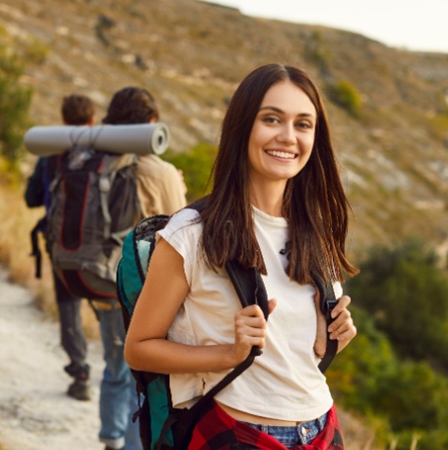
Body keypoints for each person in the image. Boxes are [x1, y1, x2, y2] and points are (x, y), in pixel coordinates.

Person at [124, 64, 358, 448]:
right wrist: (227, 353)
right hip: (238, 435)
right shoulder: (192, 234)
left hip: (321, 431)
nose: (288, 136)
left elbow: (298, 357)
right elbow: (139, 349)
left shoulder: (315, 233)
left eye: (303, 124)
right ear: (243, 126)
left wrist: (327, 340)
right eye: (271, 119)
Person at [97, 86, 186, 450]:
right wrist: (177, 184)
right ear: (151, 123)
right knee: (144, 379)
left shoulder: (98, 162)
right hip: (143, 292)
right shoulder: (159, 171)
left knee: (114, 364)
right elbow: (183, 230)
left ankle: (109, 435)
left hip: (102, 279)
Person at [24, 94, 96, 401]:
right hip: (100, 246)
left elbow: (31, 198)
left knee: (69, 307)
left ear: (64, 120)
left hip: (62, 245)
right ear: (93, 121)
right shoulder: (105, 151)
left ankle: (80, 373)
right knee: (108, 306)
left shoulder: (51, 153)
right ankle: (121, 373)